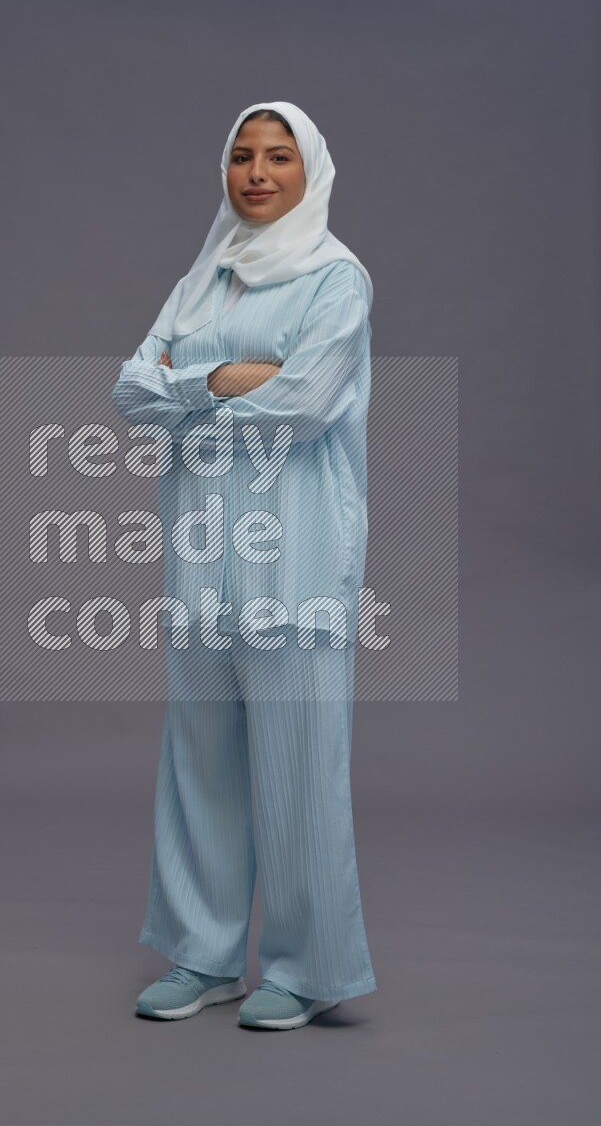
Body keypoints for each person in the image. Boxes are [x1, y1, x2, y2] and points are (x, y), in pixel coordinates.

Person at [111, 100, 376, 1030]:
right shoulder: (202, 282)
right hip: (201, 556)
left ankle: (307, 968)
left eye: (278, 157)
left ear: (312, 171)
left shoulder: (338, 280)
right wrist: (227, 376)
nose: (257, 173)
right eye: (241, 156)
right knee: (202, 766)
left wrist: (189, 388)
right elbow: (129, 393)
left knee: (300, 770)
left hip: (296, 561)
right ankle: (204, 951)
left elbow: (304, 405)